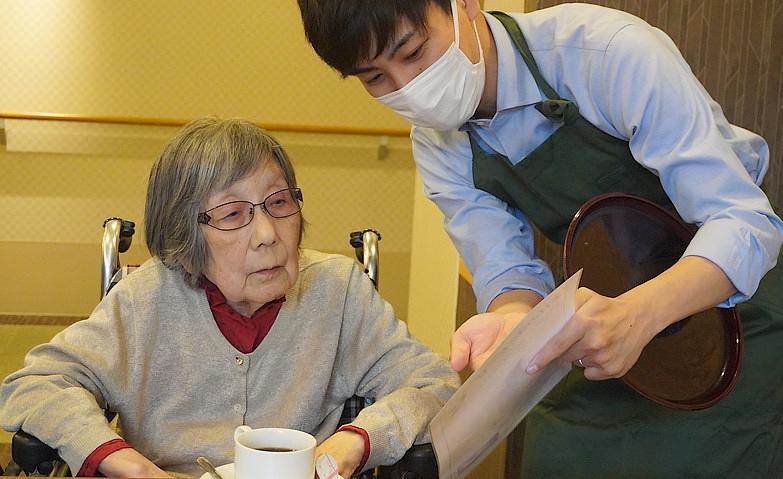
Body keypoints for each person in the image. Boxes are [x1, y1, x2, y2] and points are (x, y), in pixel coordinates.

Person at [297, 0, 783, 476]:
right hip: (603, 326)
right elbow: (509, 271)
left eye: (413, 52)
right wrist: (511, 319)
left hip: (736, 313)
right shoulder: (436, 144)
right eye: (375, 78)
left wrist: (639, 314)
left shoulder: (607, 53)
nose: (409, 88)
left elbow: (743, 222)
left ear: (464, 4)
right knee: (556, 454)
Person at [0, 118, 459, 478]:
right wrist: (124, 461)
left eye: (279, 203)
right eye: (233, 214)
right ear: (184, 240)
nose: (267, 235)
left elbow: (432, 384)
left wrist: (356, 441)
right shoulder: (146, 299)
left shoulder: (337, 290)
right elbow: (35, 384)